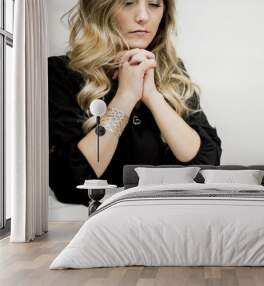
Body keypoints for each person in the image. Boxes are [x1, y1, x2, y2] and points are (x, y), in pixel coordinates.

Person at [48, 0, 222, 206]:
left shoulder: (172, 73)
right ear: (101, 9)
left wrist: (152, 96)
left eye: (154, 4)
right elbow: (71, 180)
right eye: (128, 3)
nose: (143, 17)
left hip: (175, 217)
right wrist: (126, 97)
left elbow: (206, 165)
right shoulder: (61, 72)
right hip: (104, 223)